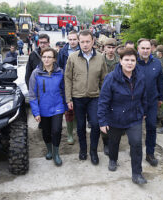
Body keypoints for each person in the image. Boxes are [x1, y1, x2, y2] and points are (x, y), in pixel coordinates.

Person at [98, 48, 147, 184]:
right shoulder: (111, 78)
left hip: (134, 117)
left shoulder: (141, 76)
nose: (129, 63)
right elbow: (103, 101)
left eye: (132, 60)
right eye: (126, 60)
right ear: (120, 61)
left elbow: (144, 96)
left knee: (136, 144)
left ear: (136, 62)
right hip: (115, 117)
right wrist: (102, 121)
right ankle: (113, 159)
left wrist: (143, 111)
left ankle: (137, 174)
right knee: (114, 142)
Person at [64, 30, 107, 165]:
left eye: (88, 41)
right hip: (78, 97)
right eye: (82, 42)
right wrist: (68, 98)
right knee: (81, 125)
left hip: (94, 97)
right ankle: (83, 149)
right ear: (78, 42)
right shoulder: (73, 57)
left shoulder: (100, 57)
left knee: (95, 124)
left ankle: (93, 151)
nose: (85, 44)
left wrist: (104, 99)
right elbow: (68, 78)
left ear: (93, 41)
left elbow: (104, 80)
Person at [29, 47, 67, 166]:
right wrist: (36, 112)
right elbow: (32, 94)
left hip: (58, 106)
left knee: (56, 130)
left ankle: (56, 153)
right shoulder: (36, 73)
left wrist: (65, 106)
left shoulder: (60, 72)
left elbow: (64, 90)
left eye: (49, 57)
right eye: (44, 57)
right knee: (46, 132)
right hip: (43, 108)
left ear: (54, 59)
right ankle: (49, 150)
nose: (46, 59)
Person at [137, 38, 163, 167]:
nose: (146, 51)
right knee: (135, 129)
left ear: (151, 49)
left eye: (148, 48)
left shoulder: (157, 63)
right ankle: (135, 152)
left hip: (152, 101)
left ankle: (150, 154)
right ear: (138, 49)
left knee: (152, 127)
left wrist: (161, 98)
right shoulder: (133, 62)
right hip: (135, 102)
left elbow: (160, 82)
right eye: (143, 48)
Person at [57, 30, 80, 145]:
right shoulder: (63, 52)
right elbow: (60, 67)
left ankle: (77, 128)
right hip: (68, 83)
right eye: (70, 39)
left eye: (74, 39)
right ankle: (70, 133)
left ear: (78, 39)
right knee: (69, 109)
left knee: (79, 108)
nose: (72, 41)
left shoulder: (83, 49)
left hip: (81, 83)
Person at [100, 38, 120, 156]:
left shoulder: (120, 60)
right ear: (104, 48)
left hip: (117, 95)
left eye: (113, 48)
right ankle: (106, 143)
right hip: (103, 94)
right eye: (109, 47)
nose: (111, 50)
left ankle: (115, 141)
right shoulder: (99, 59)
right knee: (105, 120)